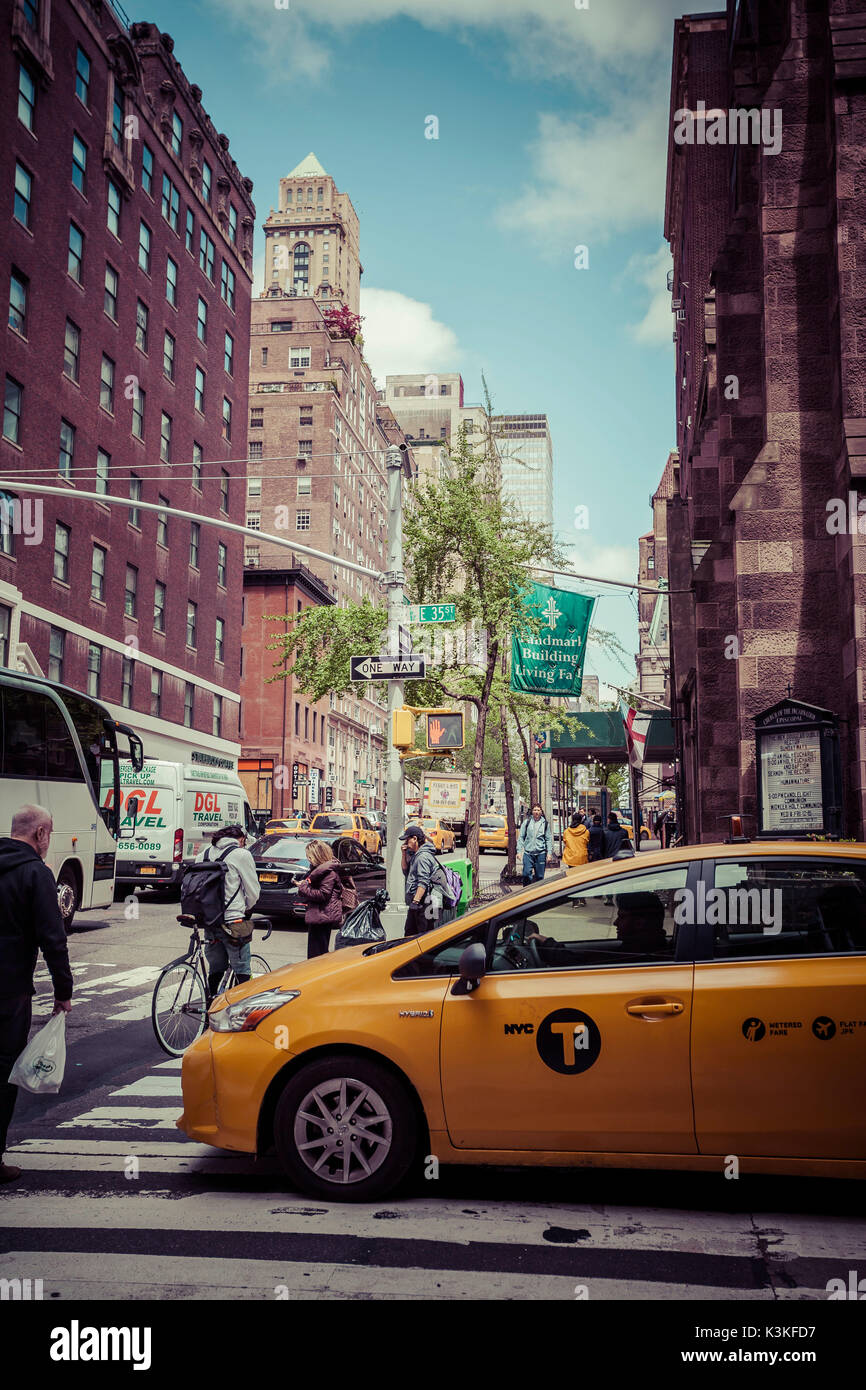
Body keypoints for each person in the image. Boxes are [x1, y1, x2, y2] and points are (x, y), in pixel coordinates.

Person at [0, 805, 73, 1184]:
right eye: (50, 834)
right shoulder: (36, 874)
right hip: (8, 991)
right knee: (4, 1071)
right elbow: (52, 938)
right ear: (40, 834)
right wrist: (64, 991)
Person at [195, 823, 260, 996]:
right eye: (244, 841)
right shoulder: (241, 854)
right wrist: (246, 909)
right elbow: (253, 891)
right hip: (233, 921)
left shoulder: (204, 854)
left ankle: (210, 1003)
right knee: (242, 969)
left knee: (215, 967)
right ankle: (242, 1010)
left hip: (210, 919)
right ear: (240, 839)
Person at [296, 840, 353, 958]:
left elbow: (323, 895)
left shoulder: (328, 873)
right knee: (316, 952)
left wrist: (303, 888)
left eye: (310, 856)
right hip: (320, 915)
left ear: (317, 856)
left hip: (323, 916)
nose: (308, 859)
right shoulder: (320, 871)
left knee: (317, 954)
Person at [401, 825, 445, 936]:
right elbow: (405, 871)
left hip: (425, 903)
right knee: (411, 934)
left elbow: (423, 882)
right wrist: (403, 854)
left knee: (422, 936)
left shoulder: (422, 857)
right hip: (421, 902)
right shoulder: (416, 855)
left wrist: (415, 902)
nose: (405, 842)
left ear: (415, 839)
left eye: (407, 839)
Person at [517, 803, 549, 885]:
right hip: (528, 854)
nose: (536, 812)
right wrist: (519, 851)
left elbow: (548, 839)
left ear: (541, 812)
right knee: (526, 874)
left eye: (538, 810)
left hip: (540, 854)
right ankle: (526, 893)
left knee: (540, 877)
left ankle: (538, 895)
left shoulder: (545, 824)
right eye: (535, 810)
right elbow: (521, 837)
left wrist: (549, 853)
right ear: (532, 812)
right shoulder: (527, 822)